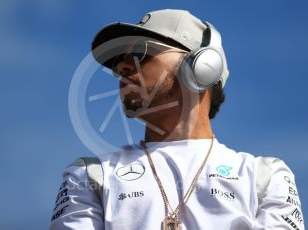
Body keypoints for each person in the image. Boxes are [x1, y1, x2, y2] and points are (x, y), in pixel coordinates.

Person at [50, 9, 305, 230]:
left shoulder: (266, 179)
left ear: (202, 66)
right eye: (118, 64)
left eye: (140, 53)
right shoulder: (89, 176)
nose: (122, 68)